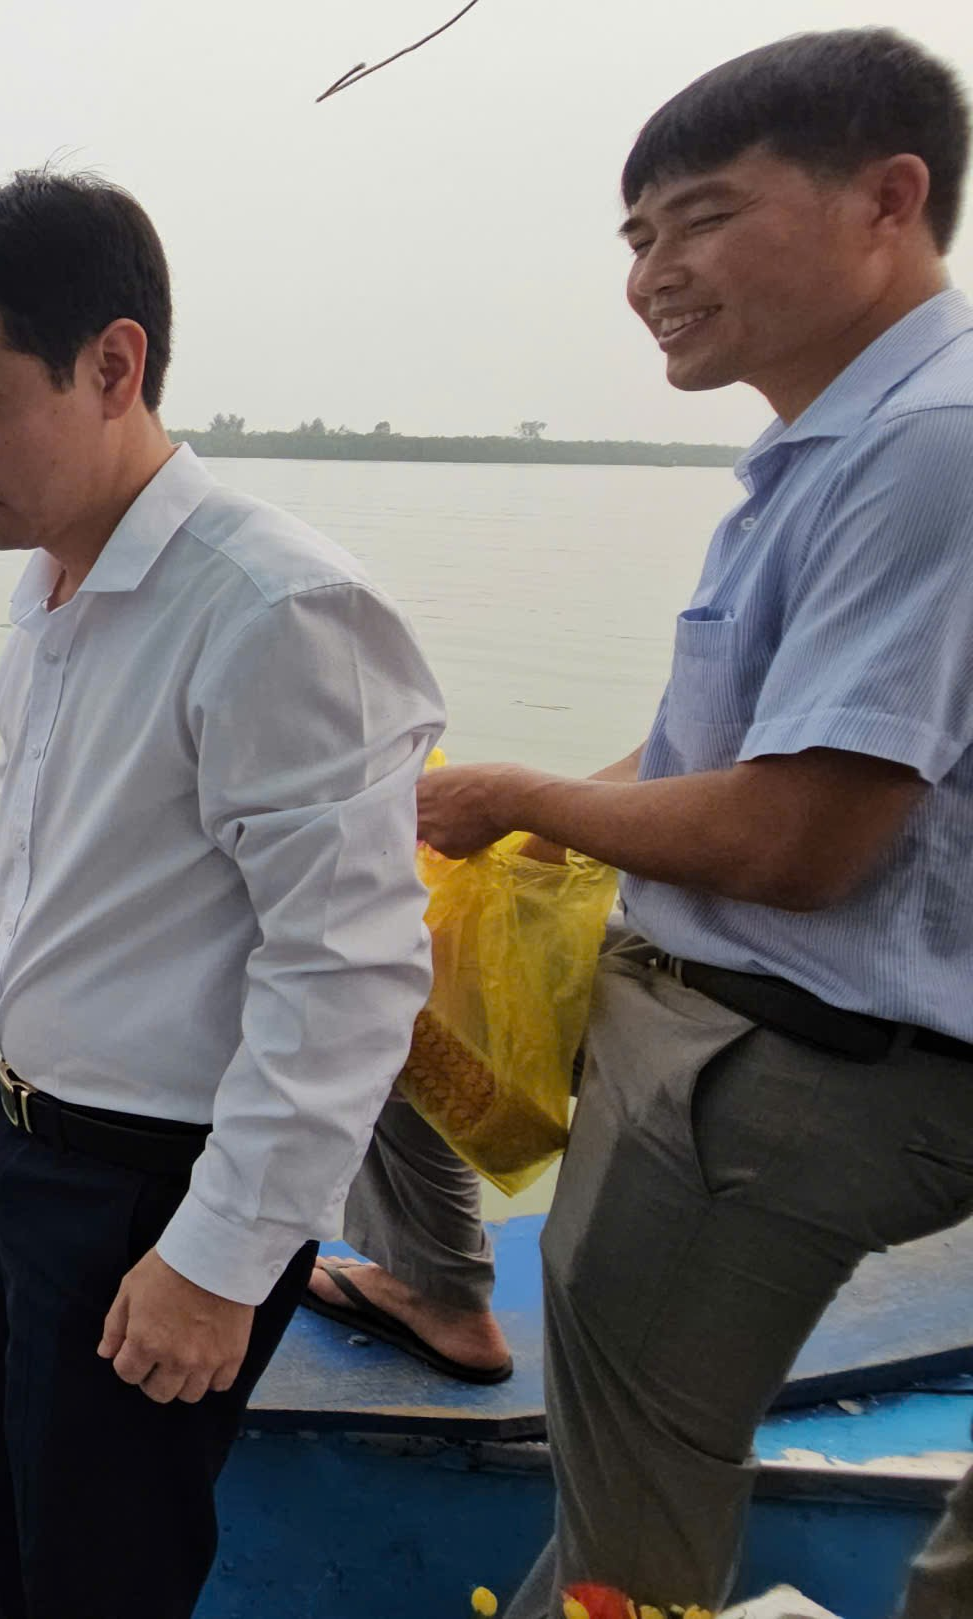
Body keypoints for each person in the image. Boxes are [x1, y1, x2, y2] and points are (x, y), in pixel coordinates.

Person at [0, 172, 445, 1618]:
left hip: (164, 1182)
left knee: (106, 1557)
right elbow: (32, 842)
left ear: (113, 366)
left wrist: (220, 1260)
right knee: (27, 1492)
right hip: (33, 1145)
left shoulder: (275, 611)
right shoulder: (60, 592)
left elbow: (348, 973)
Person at [396, 29, 973, 1615]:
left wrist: (518, 794)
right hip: (769, 1033)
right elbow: (737, 739)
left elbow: (803, 837)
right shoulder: (837, 446)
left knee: (632, 1507)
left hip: (788, 1064)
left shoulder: (928, 448)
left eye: (703, 217)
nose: (653, 272)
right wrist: (560, 818)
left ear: (891, 199)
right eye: (638, 235)